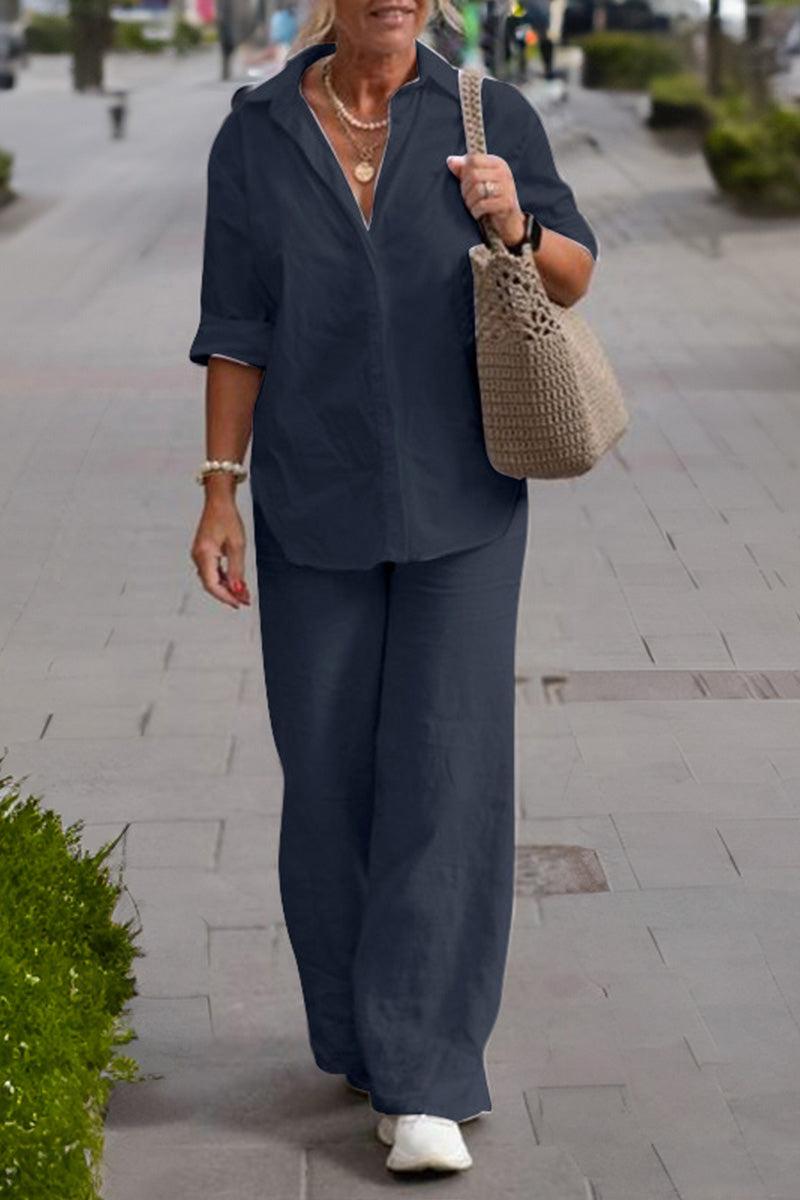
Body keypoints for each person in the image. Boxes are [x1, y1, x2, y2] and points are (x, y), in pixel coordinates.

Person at [188, 0, 598, 1174]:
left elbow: (571, 274)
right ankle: (368, 1032)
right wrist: (220, 487)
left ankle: (426, 1072)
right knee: (325, 780)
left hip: (463, 499)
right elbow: (234, 326)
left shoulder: (487, 111)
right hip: (311, 500)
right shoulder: (257, 133)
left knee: (446, 769)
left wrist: (513, 220)